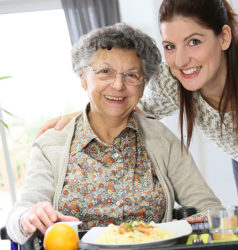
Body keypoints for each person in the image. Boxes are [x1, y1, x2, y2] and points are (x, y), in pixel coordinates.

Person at [6, 23, 223, 245]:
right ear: (83, 78)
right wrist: (28, 217)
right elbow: (17, 220)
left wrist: (174, 231)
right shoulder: (52, 144)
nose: (118, 85)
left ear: (143, 84)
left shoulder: (162, 140)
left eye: (132, 75)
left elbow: (211, 210)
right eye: (105, 72)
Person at [38, 0, 238, 216]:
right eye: (170, 46)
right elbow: (138, 107)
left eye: (194, 42)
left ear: (224, 37)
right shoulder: (173, 80)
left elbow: (208, 207)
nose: (181, 60)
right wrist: (89, 112)